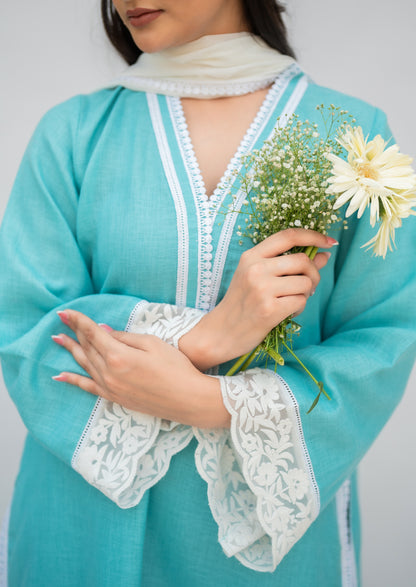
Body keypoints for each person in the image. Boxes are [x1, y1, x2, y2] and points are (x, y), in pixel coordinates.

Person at [0, 1, 415, 585]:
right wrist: (202, 337)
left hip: (262, 548)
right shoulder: (72, 133)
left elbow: (385, 340)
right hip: (83, 530)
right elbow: (23, 327)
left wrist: (210, 404)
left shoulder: (357, 141)